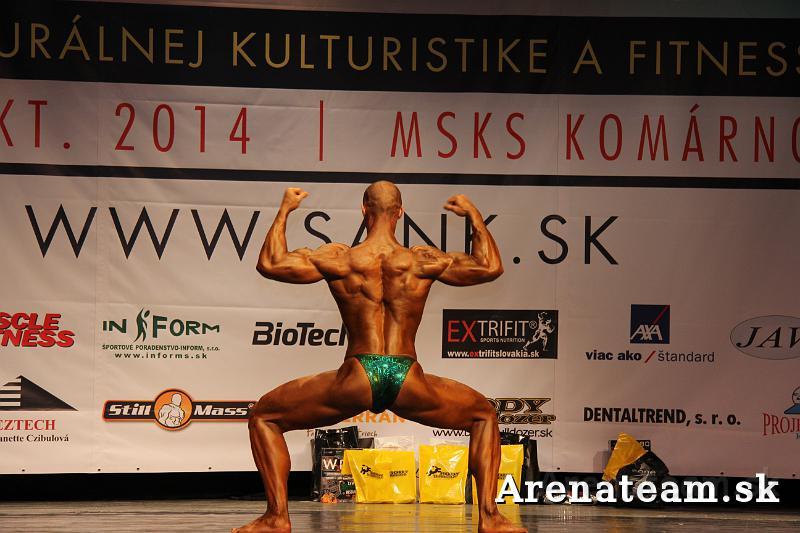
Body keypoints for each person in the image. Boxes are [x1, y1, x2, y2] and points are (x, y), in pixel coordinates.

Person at [234, 181, 526, 533]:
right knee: (483, 415)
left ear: (363, 210)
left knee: (264, 416)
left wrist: (285, 209)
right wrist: (473, 216)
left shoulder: (340, 258)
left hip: (357, 376)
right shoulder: (421, 260)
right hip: (407, 377)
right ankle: (490, 517)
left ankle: (276, 517)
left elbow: (270, 263)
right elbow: (489, 266)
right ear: (400, 212)